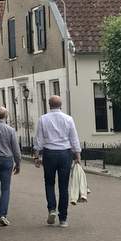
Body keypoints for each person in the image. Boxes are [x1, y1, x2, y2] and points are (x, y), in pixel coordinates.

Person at [33, 95, 81, 228]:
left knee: (49, 182)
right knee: (63, 186)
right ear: (61, 105)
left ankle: (52, 209)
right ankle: (63, 219)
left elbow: (39, 139)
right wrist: (77, 155)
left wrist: (36, 156)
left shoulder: (43, 119)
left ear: (49, 105)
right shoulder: (68, 119)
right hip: (65, 153)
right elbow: (74, 138)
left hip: (49, 153)